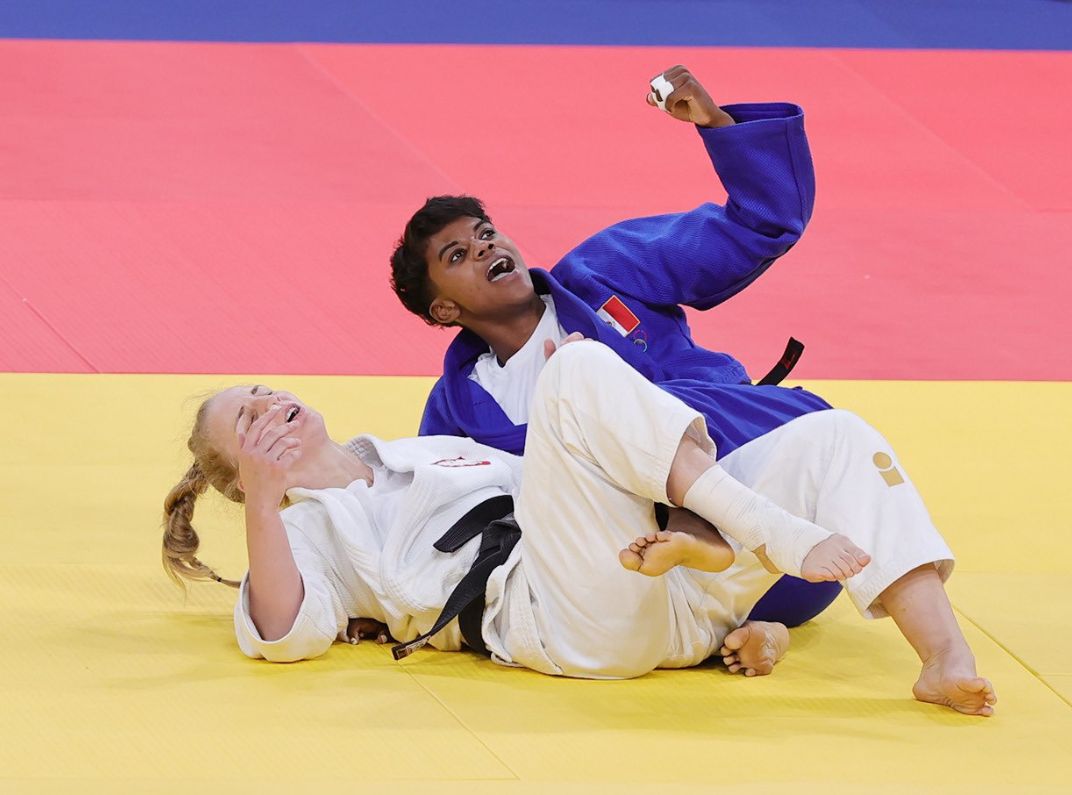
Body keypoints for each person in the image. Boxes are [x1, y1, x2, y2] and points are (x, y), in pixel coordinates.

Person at [161, 341, 996, 716]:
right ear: (238, 477)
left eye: (264, 388)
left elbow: (588, 484)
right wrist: (267, 507)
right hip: (556, 619)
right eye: (247, 418)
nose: (270, 403)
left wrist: (680, 533)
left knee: (834, 436)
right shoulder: (309, 532)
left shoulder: (423, 449)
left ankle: (942, 659)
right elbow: (280, 634)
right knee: (575, 372)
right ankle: (757, 530)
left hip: (652, 584)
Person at [389, 65, 836, 627]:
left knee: (649, 415)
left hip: (770, 505)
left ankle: (728, 583)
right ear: (444, 310)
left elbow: (762, 224)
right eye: (455, 256)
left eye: (483, 232)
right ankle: (742, 627)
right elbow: (434, 519)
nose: (483, 247)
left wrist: (717, 123)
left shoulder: (606, 272)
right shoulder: (457, 409)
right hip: (643, 577)